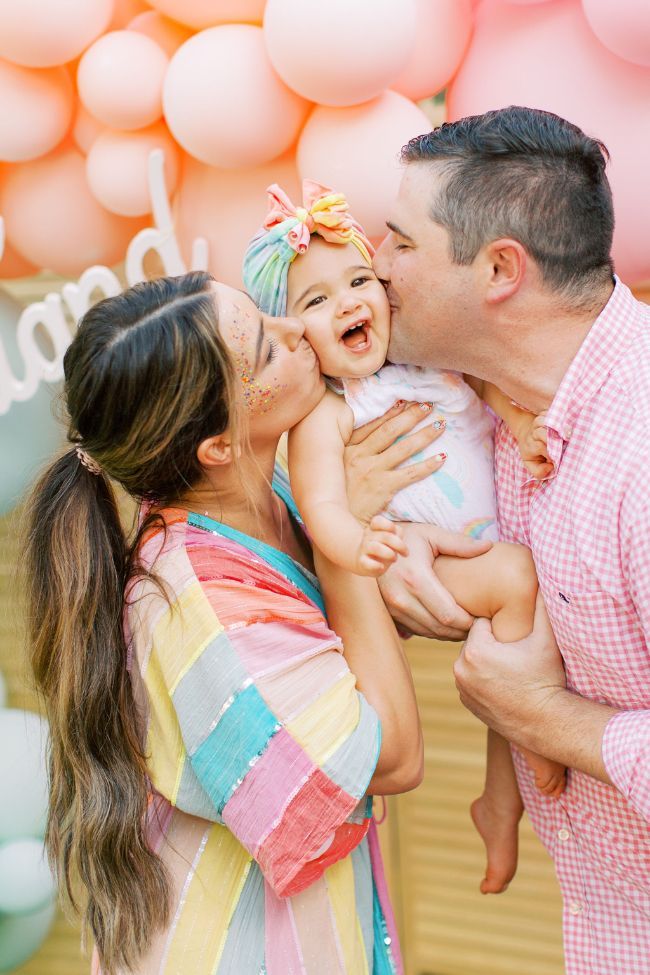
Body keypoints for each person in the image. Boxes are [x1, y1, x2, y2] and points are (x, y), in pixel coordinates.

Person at [24, 271, 436, 975]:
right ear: (216, 446)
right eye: (266, 353)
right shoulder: (201, 604)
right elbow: (392, 756)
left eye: (267, 318)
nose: (298, 331)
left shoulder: (268, 492)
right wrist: (344, 546)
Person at [369, 105, 650, 975]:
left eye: (401, 243)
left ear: (498, 269)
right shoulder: (490, 410)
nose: (376, 271)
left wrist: (546, 720)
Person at [242, 182, 565, 896]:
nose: (348, 303)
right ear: (293, 335)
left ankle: (499, 794)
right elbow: (323, 502)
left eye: (359, 280)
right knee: (518, 584)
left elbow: (491, 390)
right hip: (423, 562)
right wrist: (356, 547)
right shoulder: (327, 413)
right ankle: (522, 757)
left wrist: (520, 426)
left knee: (524, 616)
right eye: (315, 302)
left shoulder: (432, 361)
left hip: (473, 541)